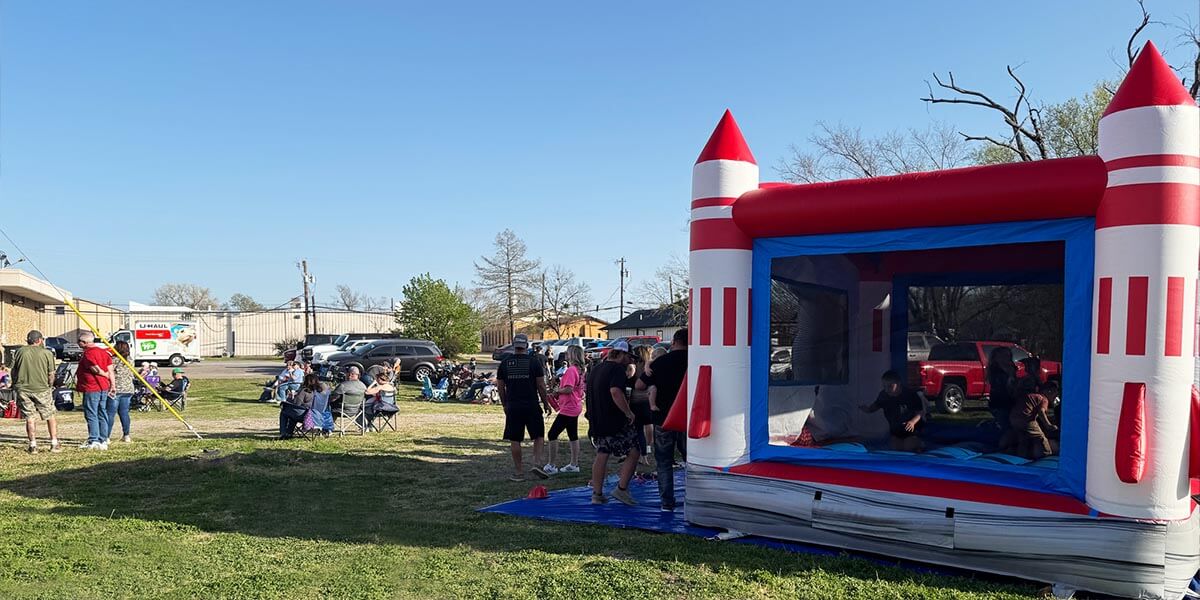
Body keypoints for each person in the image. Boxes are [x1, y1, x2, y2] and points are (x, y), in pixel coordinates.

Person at [635, 329, 688, 511]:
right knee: (694, 460)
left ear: (673, 342)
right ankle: (697, 499)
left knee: (664, 461)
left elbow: (639, 385)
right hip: (689, 418)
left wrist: (651, 373)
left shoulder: (660, 362)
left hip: (663, 418)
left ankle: (666, 502)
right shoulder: (696, 360)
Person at [586, 339, 641, 506]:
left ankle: (597, 494)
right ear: (622, 354)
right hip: (614, 419)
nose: (630, 361)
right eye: (629, 357)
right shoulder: (617, 369)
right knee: (634, 451)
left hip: (598, 419)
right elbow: (616, 392)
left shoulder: (597, 368)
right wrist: (628, 412)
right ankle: (622, 489)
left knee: (602, 453)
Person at [496, 333, 552, 481]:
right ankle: (537, 463)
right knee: (538, 435)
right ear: (526, 346)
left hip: (513, 405)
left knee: (515, 439)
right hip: (531, 404)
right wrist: (546, 403)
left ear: (514, 346)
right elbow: (541, 385)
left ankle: (519, 472)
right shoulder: (534, 362)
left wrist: (504, 404)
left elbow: (500, 388)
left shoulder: (504, 363)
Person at [11, 330, 59, 453]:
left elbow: (13, 371)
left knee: (30, 417)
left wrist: (15, 384)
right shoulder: (47, 353)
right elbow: (51, 373)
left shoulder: (19, 352)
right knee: (50, 415)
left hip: (23, 389)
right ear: (39, 340)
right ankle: (54, 443)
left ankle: (33, 445)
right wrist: (50, 385)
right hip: (42, 388)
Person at [544, 345, 585, 474]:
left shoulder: (571, 370)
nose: (566, 355)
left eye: (568, 353)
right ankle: (574, 464)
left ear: (572, 355)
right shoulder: (580, 370)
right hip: (576, 405)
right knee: (573, 435)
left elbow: (568, 388)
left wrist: (557, 391)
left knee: (552, 434)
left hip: (569, 407)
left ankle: (552, 465)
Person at [860, 370, 924, 452]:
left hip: (912, 429)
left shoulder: (910, 395)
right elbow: (875, 406)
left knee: (908, 446)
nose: (887, 390)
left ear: (899, 383)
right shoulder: (884, 396)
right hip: (896, 430)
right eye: (884, 386)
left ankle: (920, 443)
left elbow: (919, 412)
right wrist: (868, 409)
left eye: (890, 386)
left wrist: (912, 422)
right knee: (896, 447)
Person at [76, 330, 113, 450]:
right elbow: (110, 369)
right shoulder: (104, 352)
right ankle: (104, 439)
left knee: (91, 413)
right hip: (103, 387)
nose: (78, 344)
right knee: (102, 412)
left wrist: (105, 375)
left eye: (79, 342)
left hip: (92, 387)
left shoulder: (88, 354)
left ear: (85, 342)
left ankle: (94, 439)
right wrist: (112, 384)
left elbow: (95, 369)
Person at [1011, 374, 1059, 459]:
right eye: (1054, 394)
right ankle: (1047, 456)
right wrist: (1048, 425)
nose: (1054, 398)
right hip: (1026, 419)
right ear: (1048, 391)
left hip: (1013, 418)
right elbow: (1041, 412)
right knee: (1040, 438)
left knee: (1023, 439)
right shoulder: (1043, 399)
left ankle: (1021, 456)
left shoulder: (1033, 395)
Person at [629, 345, 656, 465]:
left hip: (635, 401)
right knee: (649, 425)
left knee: (638, 430)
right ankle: (648, 448)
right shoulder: (649, 366)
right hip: (648, 400)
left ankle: (642, 455)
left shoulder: (633, 367)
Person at [106, 341, 136, 443]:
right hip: (128, 389)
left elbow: (109, 372)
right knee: (124, 413)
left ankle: (107, 436)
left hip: (116, 389)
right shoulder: (130, 360)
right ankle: (126, 435)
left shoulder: (113, 360)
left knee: (110, 413)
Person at [986, 346, 1017, 445]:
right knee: (1007, 427)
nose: (1006, 358)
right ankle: (1002, 446)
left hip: (1009, 402)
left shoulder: (1010, 369)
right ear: (996, 358)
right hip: (1000, 403)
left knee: (1011, 426)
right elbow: (1002, 387)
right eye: (1003, 356)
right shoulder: (996, 371)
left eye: (1008, 356)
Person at [280, 373, 326, 439]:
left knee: (285, 412)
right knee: (293, 414)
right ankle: (289, 432)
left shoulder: (305, 391)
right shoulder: (321, 392)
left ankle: (284, 433)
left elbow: (297, 404)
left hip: (305, 415)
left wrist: (290, 399)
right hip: (318, 416)